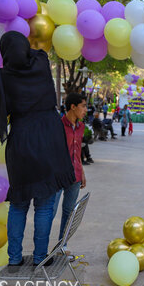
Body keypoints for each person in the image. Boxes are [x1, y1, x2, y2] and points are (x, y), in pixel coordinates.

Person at [0, 31, 75, 270]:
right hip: (48, 137)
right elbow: (38, 50)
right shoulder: (40, 62)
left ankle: (14, 258)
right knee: (45, 204)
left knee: (18, 203)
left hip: (21, 139)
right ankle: (40, 257)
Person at [55, 93, 87, 243]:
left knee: (68, 212)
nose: (86, 109)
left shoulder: (81, 127)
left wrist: (83, 173)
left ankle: (63, 246)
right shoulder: (58, 125)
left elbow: (77, 150)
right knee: (50, 211)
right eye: (83, 106)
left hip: (75, 176)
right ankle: (41, 251)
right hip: (58, 175)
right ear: (73, 107)